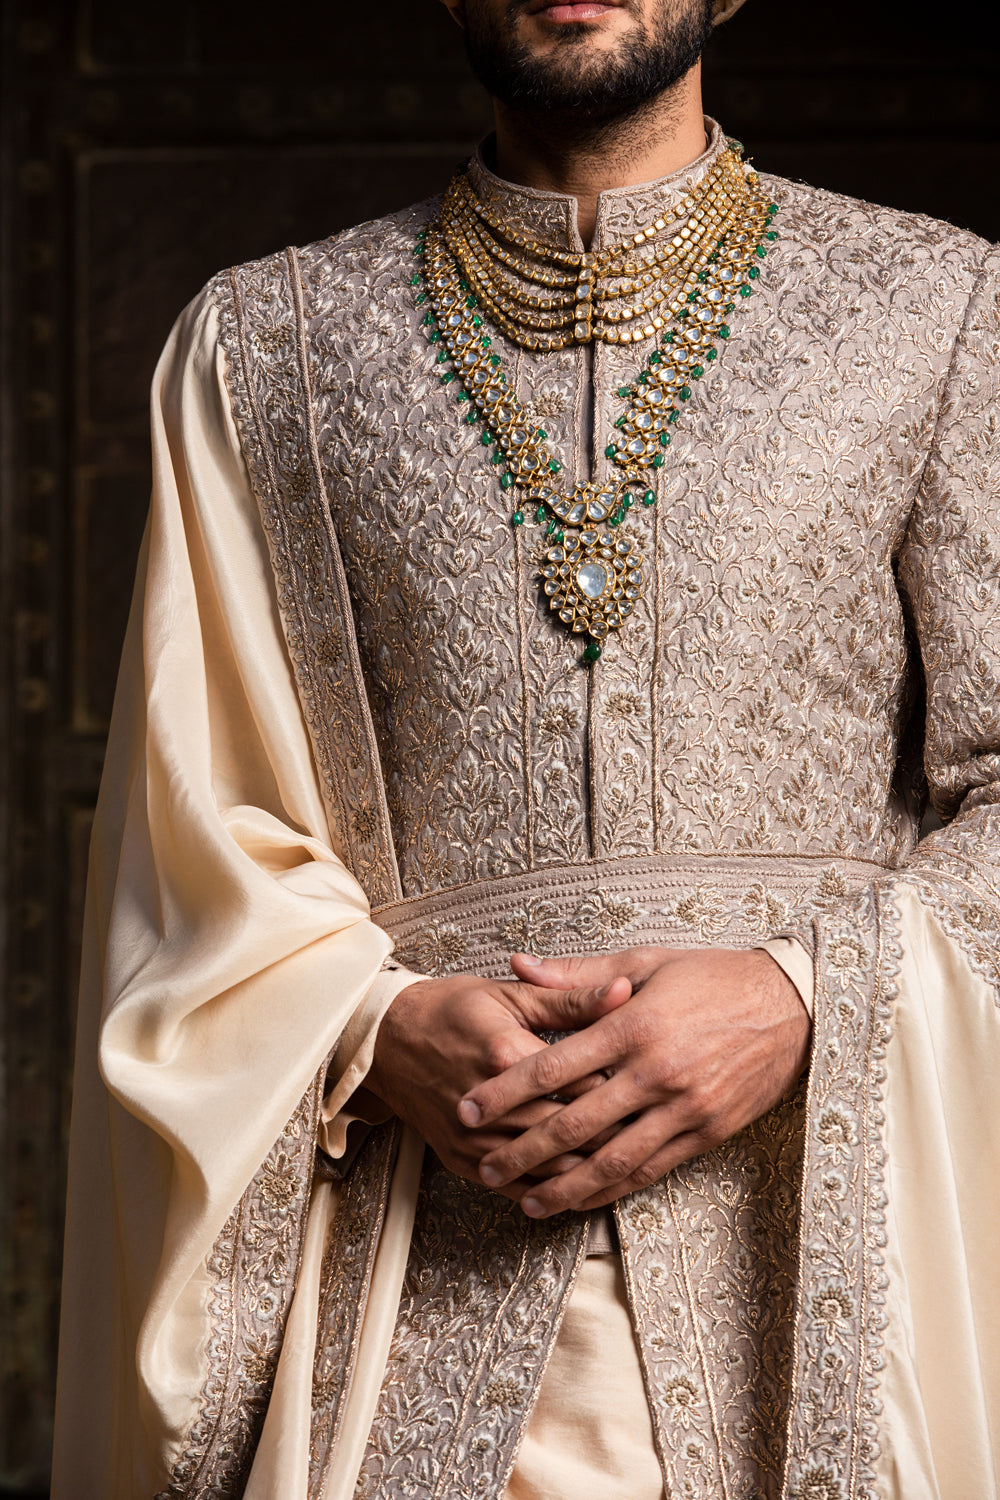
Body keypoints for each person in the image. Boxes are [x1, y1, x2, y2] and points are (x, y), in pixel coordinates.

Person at [52, 0, 1000, 1494]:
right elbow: (191, 833)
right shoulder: (264, 347)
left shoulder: (939, 310)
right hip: (403, 1284)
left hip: (835, 1281)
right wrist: (369, 1024)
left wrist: (800, 994)